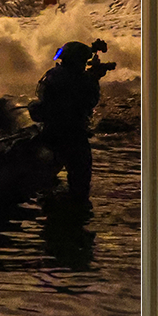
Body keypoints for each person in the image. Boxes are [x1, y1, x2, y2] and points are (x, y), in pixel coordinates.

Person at [30, 39, 115, 201]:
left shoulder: (52, 74)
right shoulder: (81, 80)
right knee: (80, 184)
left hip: (50, 133)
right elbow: (90, 101)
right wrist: (94, 78)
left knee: (48, 180)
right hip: (73, 136)